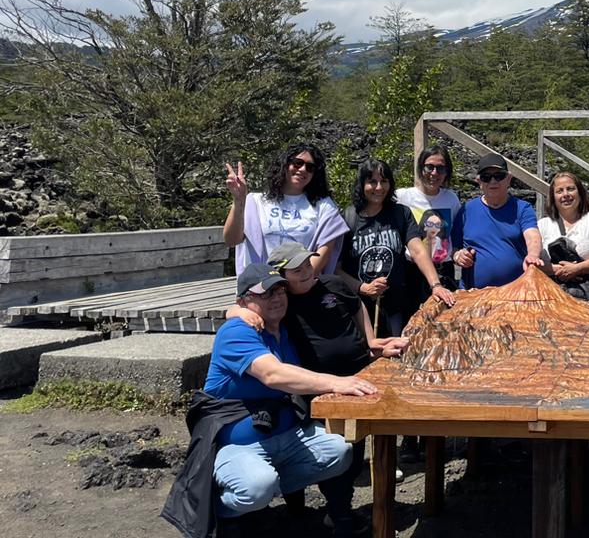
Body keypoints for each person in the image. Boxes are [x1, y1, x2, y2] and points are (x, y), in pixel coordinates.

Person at [161, 262, 377, 538]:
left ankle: (264, 497)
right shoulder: (237, 332)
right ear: (245, 299)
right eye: (265, 294)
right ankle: (219, 508)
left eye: (280, 290)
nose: (276, 298)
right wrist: (338, 383)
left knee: (339, 450)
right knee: (257, 485)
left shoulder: (284, 327)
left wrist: (373, 348)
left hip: (286, 435)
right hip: (238, 444)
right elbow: (272, 374)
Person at [338, 158, 455, 338]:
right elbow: (336, 269)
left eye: (384, 181)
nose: (379, 188)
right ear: (361, 184)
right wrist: (362, 287)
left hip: (395, 305)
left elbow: (417, 250)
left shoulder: (400, 213)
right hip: (358, 307)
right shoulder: (348, 217)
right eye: (372, 182)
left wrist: (436, 284)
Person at [223, 143, 347, 275]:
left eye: (310, 167)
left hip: (303, 288)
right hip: (261, 288)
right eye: (297, 163)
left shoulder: (324, 206)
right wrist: (239, 200)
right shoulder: (255, 202)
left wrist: (295, 284)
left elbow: (323, 255)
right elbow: (231, 240)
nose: (303, 169)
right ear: (285, 164)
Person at [450, 153, 544, 289]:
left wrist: (533, 255)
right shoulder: (466, 210)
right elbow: (454, 247)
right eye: (486, 178)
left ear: (509, 178)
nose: (493, 181)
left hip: (515, 292)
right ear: (479, 182)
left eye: (499, 176)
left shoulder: (522, 208)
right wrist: (458, 256)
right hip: (473, 294)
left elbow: (532, 235)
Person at [537, 171, 589, 303]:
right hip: (552, 299)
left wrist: (576, 269)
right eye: (560, 191)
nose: (565, 194)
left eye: (570, 189)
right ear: (553, 197)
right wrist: (557, 270)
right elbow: (533, 263)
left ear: (580, 193)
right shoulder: (542, 225)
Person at [395, 146, 463, 293]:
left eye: (440, 168)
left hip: (445, 270)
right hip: (412, 270)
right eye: (429, 167)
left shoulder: (451, 198)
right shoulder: (403, 197)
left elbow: (457, 233)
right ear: (421, 169)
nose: (434, 173)